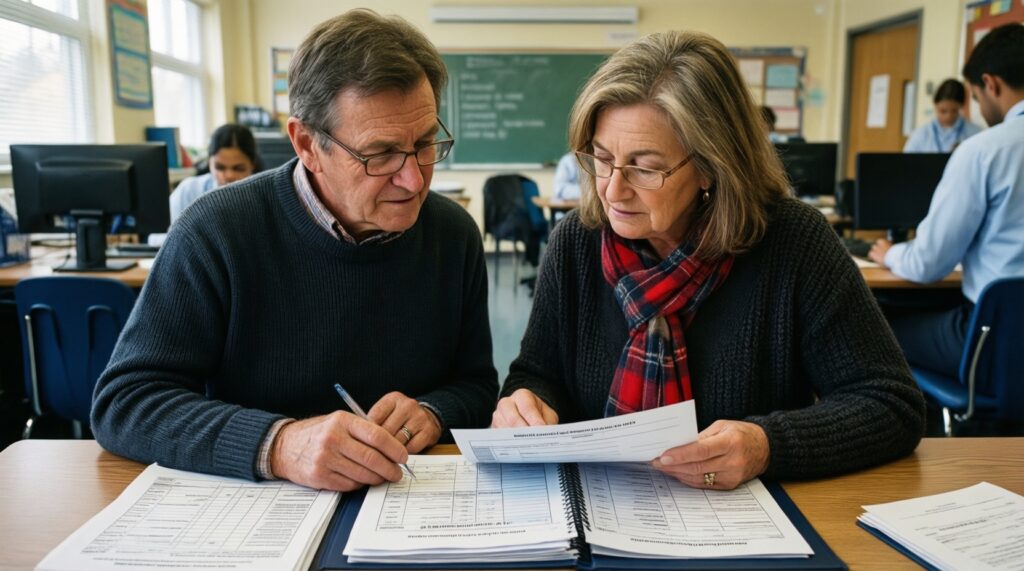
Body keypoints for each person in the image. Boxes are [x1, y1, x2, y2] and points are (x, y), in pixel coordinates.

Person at [492, 31, 924, 491]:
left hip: (744, 528)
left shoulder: (794, 243)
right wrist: (524, 401)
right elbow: (538, 374)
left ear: (710, 166)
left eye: (644, 166)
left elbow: (891, 403)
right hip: (600, 515)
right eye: (601, 159)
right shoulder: (576, 243)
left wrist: (766, 445)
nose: (612, 190)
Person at [92, 9, 498, 492]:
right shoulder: (216, 231)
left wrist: (434, 412)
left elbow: (476, 386)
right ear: (306, 143)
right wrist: (279, 444)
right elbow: (126, 402)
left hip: (406, 505)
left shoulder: (453, 235)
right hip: (260, 518)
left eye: (427, 142)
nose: (413, 179)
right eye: (381, 153)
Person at [869, 24, 1024, 377]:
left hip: (993, 341)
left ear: (991, 84)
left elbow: (928, 264)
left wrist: (890, 253)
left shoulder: (984, 151)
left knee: (875, 333)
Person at [169, 124, 261, 223]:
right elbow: (169, 236)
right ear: (209, 163)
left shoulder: (264, 196)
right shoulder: (188, 191)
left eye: (238, 168)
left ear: (252, 165)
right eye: (220, 168)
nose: (229, 176)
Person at [902, 79, 983, 153]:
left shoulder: (975, 133)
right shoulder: (920, 135)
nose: (948, 116)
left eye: (954, 111)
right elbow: (906, 163)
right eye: (943, 111)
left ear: (961, 107)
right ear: (935, 105)